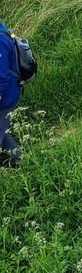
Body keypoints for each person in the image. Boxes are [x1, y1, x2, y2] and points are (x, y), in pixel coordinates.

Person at [0, 22, 24, 167]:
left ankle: (21, 162)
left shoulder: (0, 40)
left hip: (5, 98)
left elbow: (1, 78)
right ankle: (20, 159)